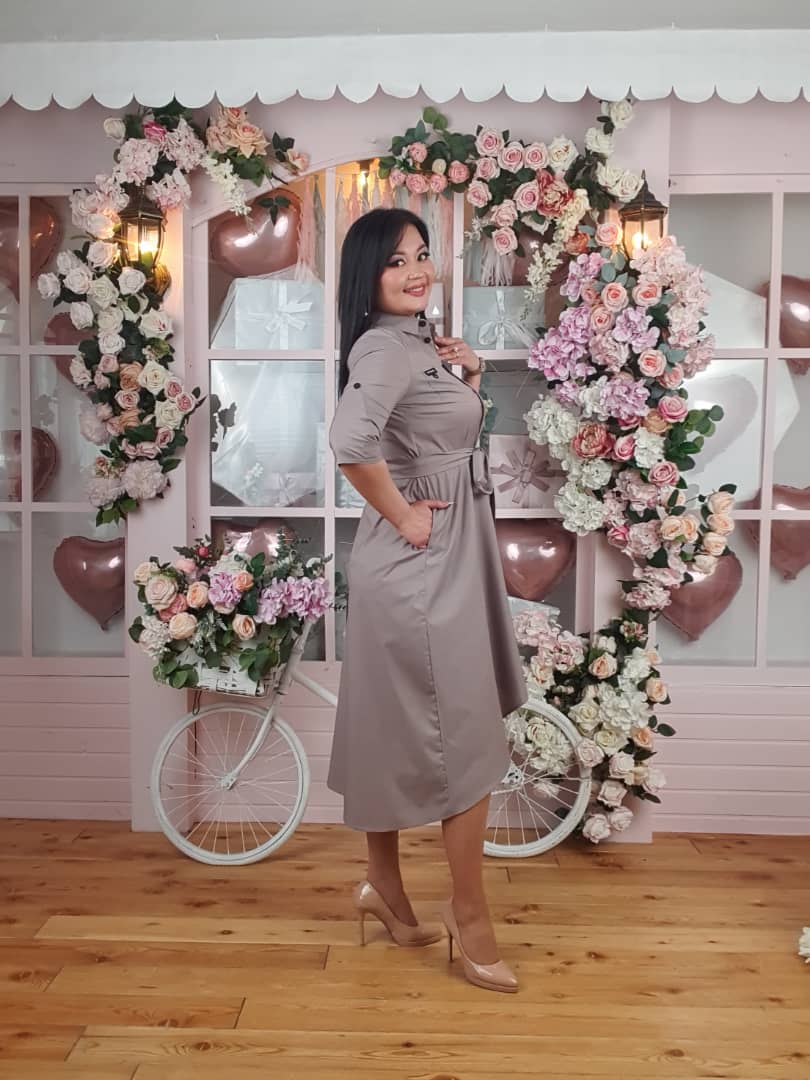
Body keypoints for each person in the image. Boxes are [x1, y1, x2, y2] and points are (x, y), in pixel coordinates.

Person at [328, 208, 527, 993]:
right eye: (396, 261)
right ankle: (469, 915)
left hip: (443, 556)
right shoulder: (383, 346)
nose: (416, 271)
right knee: (467, 739)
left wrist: (468, 381)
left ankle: (384, 885)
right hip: (420, 564)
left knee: (393, 727)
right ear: (367, 275)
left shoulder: (416, 343)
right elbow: (350, 442)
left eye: (422, 254)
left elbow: (431, 435)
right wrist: (405, 515)